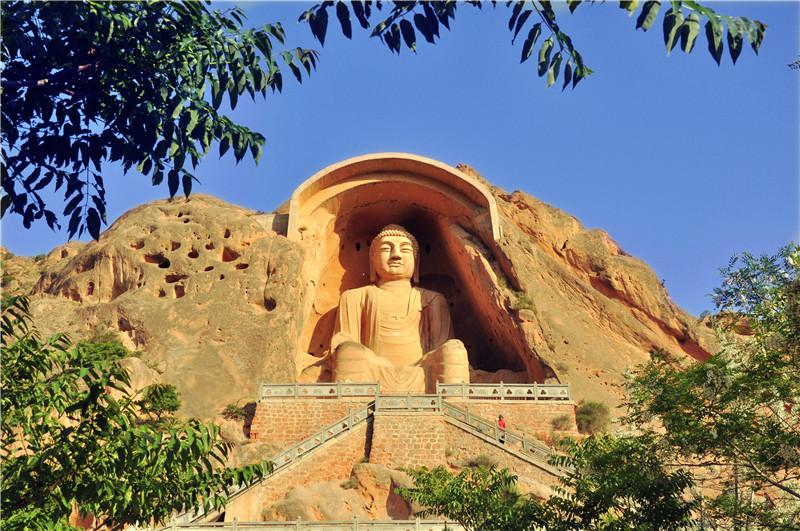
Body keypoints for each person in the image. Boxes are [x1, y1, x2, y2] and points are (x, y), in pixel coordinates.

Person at [331, 224, 470, 393]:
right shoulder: (354, 297)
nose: (396, 255)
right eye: (386, 249)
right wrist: (370, 359)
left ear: (416, 262)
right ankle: (351, 402)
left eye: (405, 250)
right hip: (372, 372)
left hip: (421, 374)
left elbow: (440, 349)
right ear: (372, 261)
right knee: (348, 351)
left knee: (454, 350)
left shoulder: (432, 299)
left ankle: (453, 402)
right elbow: (343, 341)